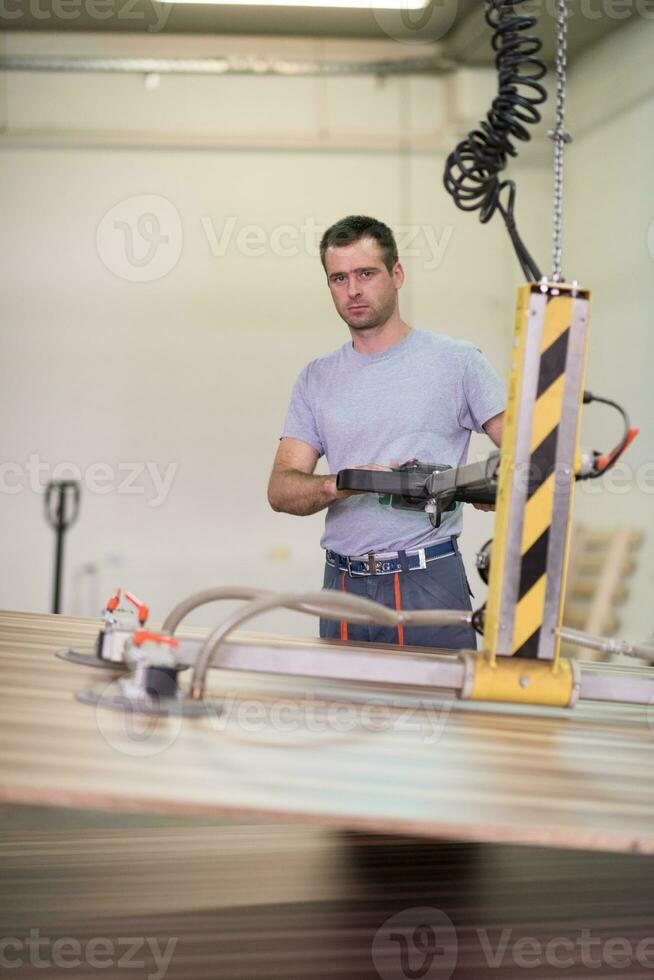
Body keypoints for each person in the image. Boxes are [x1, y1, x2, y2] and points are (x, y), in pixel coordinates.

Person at [267, 215, 505, 650]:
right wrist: (344, 483)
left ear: (397, 275)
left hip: (428, 579)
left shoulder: (458, 362)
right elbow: (282, 490)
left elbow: (532, 454)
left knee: (443, 715)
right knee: (344, 712)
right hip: (342, 585)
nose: (353, 289)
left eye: (366, 273)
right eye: (339, 278)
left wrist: (482, 487)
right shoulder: (316, 379)